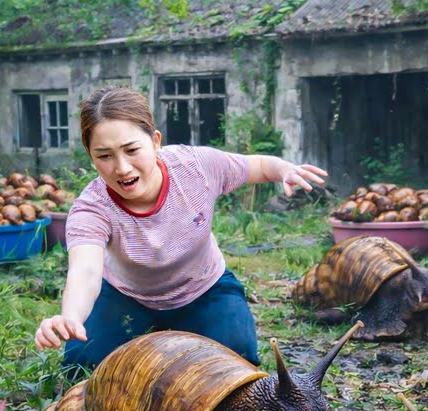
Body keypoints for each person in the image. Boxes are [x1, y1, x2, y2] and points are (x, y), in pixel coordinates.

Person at [34, 85, 327, 370]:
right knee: (82, 364)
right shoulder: (91, 207)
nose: (122, 168)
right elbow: (85, 270)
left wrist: (285, 170)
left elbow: (257, 166)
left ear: (156, 141)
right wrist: (71, 316)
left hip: (203, 289)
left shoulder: (196, 167)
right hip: (127, 296)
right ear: (90, 155)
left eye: (132, 150)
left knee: (238, 360)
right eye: (105, 156)